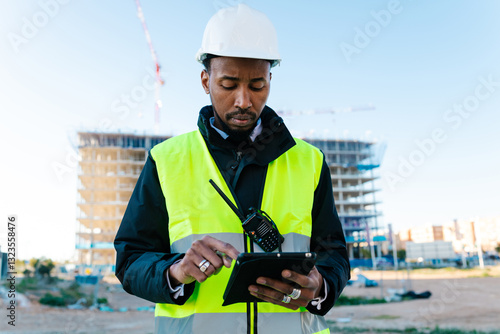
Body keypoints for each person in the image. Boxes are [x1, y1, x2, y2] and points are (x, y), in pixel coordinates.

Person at [114, 4, 350, 334]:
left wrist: (320, 287)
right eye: (228, 85)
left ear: (270, 79)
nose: (243, 100)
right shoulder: (166, 160)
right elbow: (130, 260)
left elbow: (334, 253)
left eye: (257, 85)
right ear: (205, 80)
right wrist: (176, 271)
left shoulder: (309, 161)